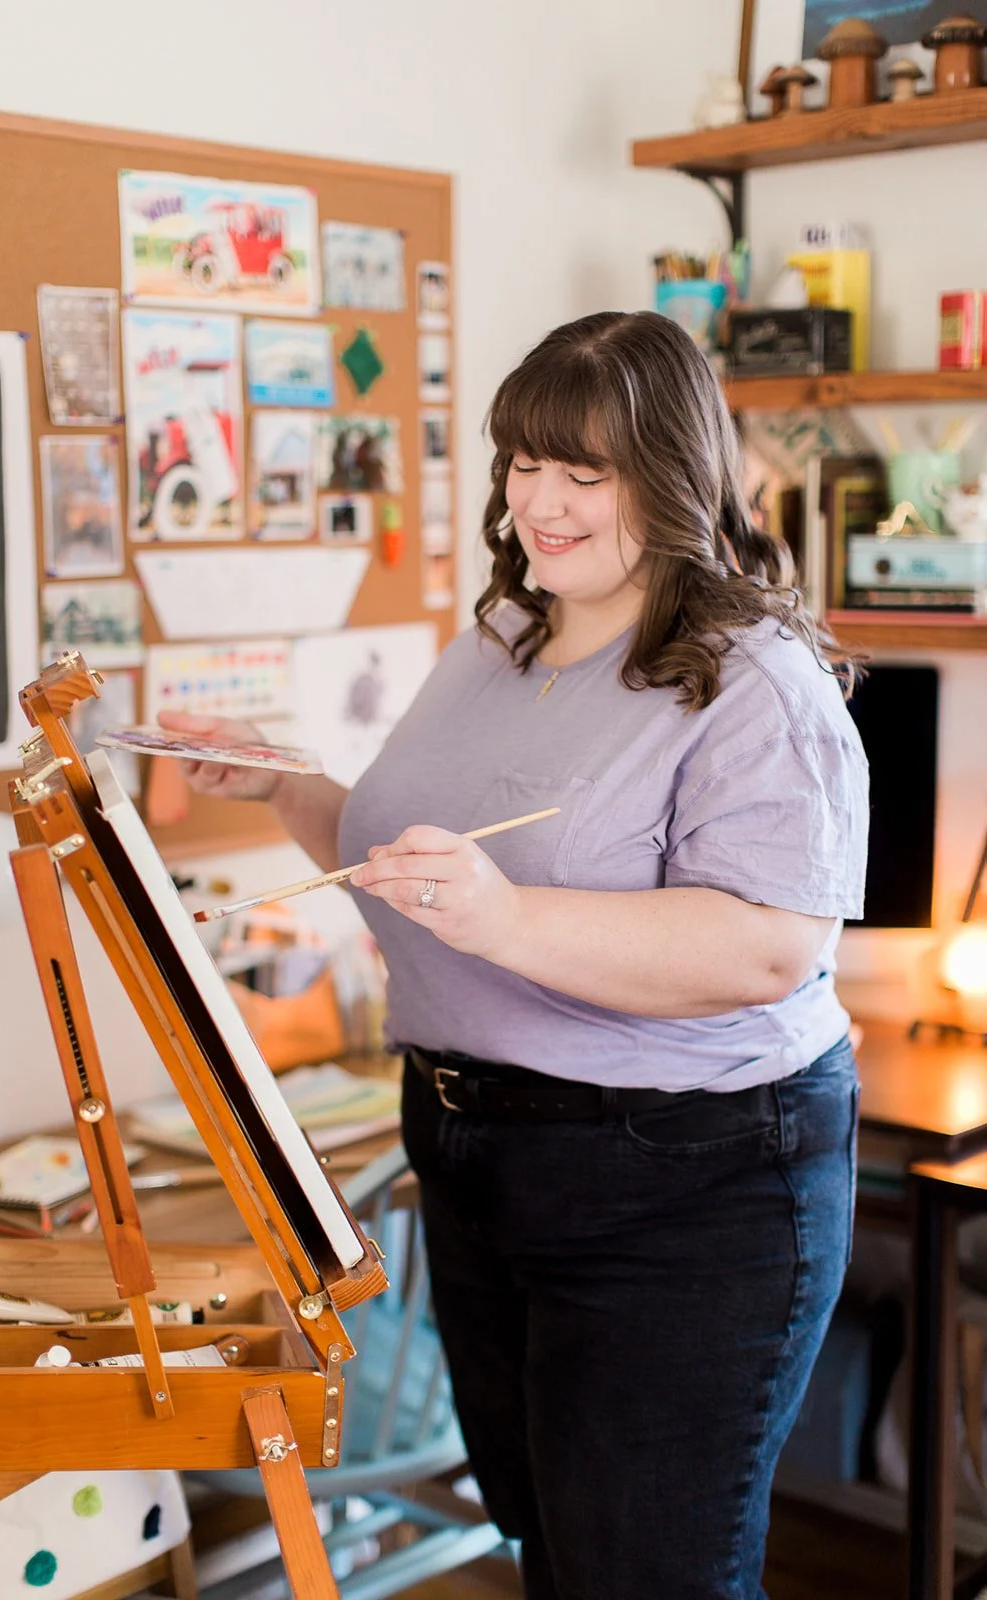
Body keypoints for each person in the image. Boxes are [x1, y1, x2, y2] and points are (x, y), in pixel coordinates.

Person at [161, 310, 869, 1600]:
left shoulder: (755, 683)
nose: (538, 501)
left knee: (647, 1574)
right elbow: (410, 861)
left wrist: (508, 920)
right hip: (480, 1156)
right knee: (552, 1546)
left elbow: (770, 945)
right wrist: (285, 786)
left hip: (685, 1185)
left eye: (582, 473)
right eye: (520, 463)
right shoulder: (503, 635)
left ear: (673, 474)